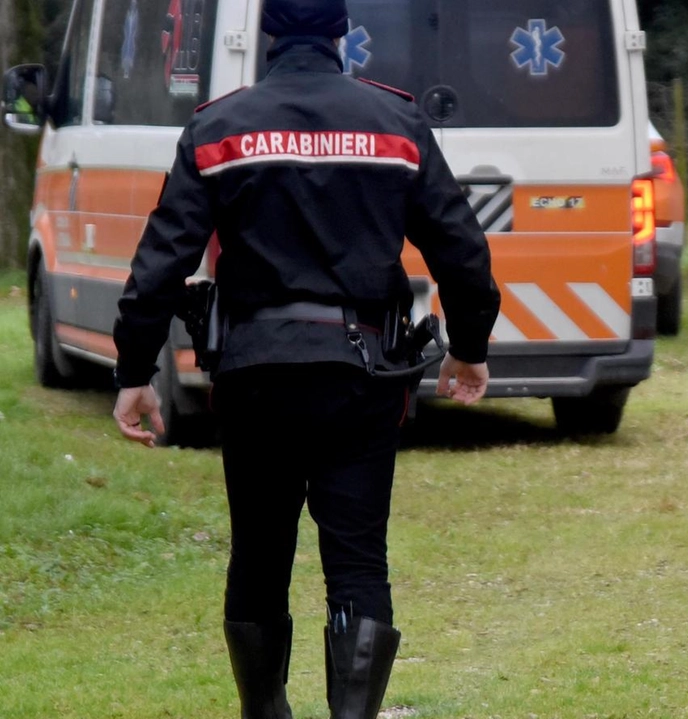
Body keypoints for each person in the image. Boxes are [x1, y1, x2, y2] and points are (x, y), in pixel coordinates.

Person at [110, 0, 502, 717]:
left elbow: (160, 263)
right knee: (357, 558)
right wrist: (469, 347)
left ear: (265, 33)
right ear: (341, 32)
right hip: (363, 379)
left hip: (255, 375)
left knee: (259, 554)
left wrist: (135, 372)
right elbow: (462, 251)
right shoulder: (398, 124)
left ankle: (265, 712)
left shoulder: (217, 127)